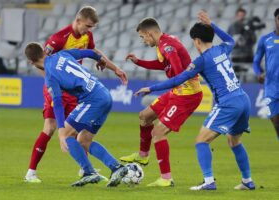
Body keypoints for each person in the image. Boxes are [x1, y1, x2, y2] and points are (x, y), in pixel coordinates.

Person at [135, 11, 255, 190]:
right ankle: (247, 181)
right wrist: (212, 24)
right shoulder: (222, 49)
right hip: (243, 99)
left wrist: (150, 88)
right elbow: (230, 39)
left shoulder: (201, 61)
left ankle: (208, 182)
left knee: (201, 141)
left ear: (197, 41)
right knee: (234, 141)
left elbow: (177, 80)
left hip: (227, 103)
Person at [24, 6, 128, 183]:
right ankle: (32, 172)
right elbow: (88, 54)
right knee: (79, 136)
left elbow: (90, 51)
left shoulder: (55, 70)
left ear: (31, 61)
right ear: (78, 21)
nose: (89, 30)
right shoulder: (59, 43)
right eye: (87, 26)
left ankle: (88, 171)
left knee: (67, 134)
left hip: (83, 94)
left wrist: (61, 132)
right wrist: (100, 61)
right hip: (96, 91)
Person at [120, 17, 203, 187]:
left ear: (150, 33)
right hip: (177, 91)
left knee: (158, 133)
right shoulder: (163, 43)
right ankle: (143, 156)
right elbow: (163, 66)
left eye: (143, 37)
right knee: (144, 116)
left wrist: (151, 88)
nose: (143, 41)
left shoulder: (167, 46)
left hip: (187, 95)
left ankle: (166, 178)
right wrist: (139, 62)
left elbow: (180, 76)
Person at [253, 8, 279, 140]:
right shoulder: (266, 39)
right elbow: (256, 61)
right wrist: (259, 74)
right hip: (271, 87)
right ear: (275, 20)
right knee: (275, 121)